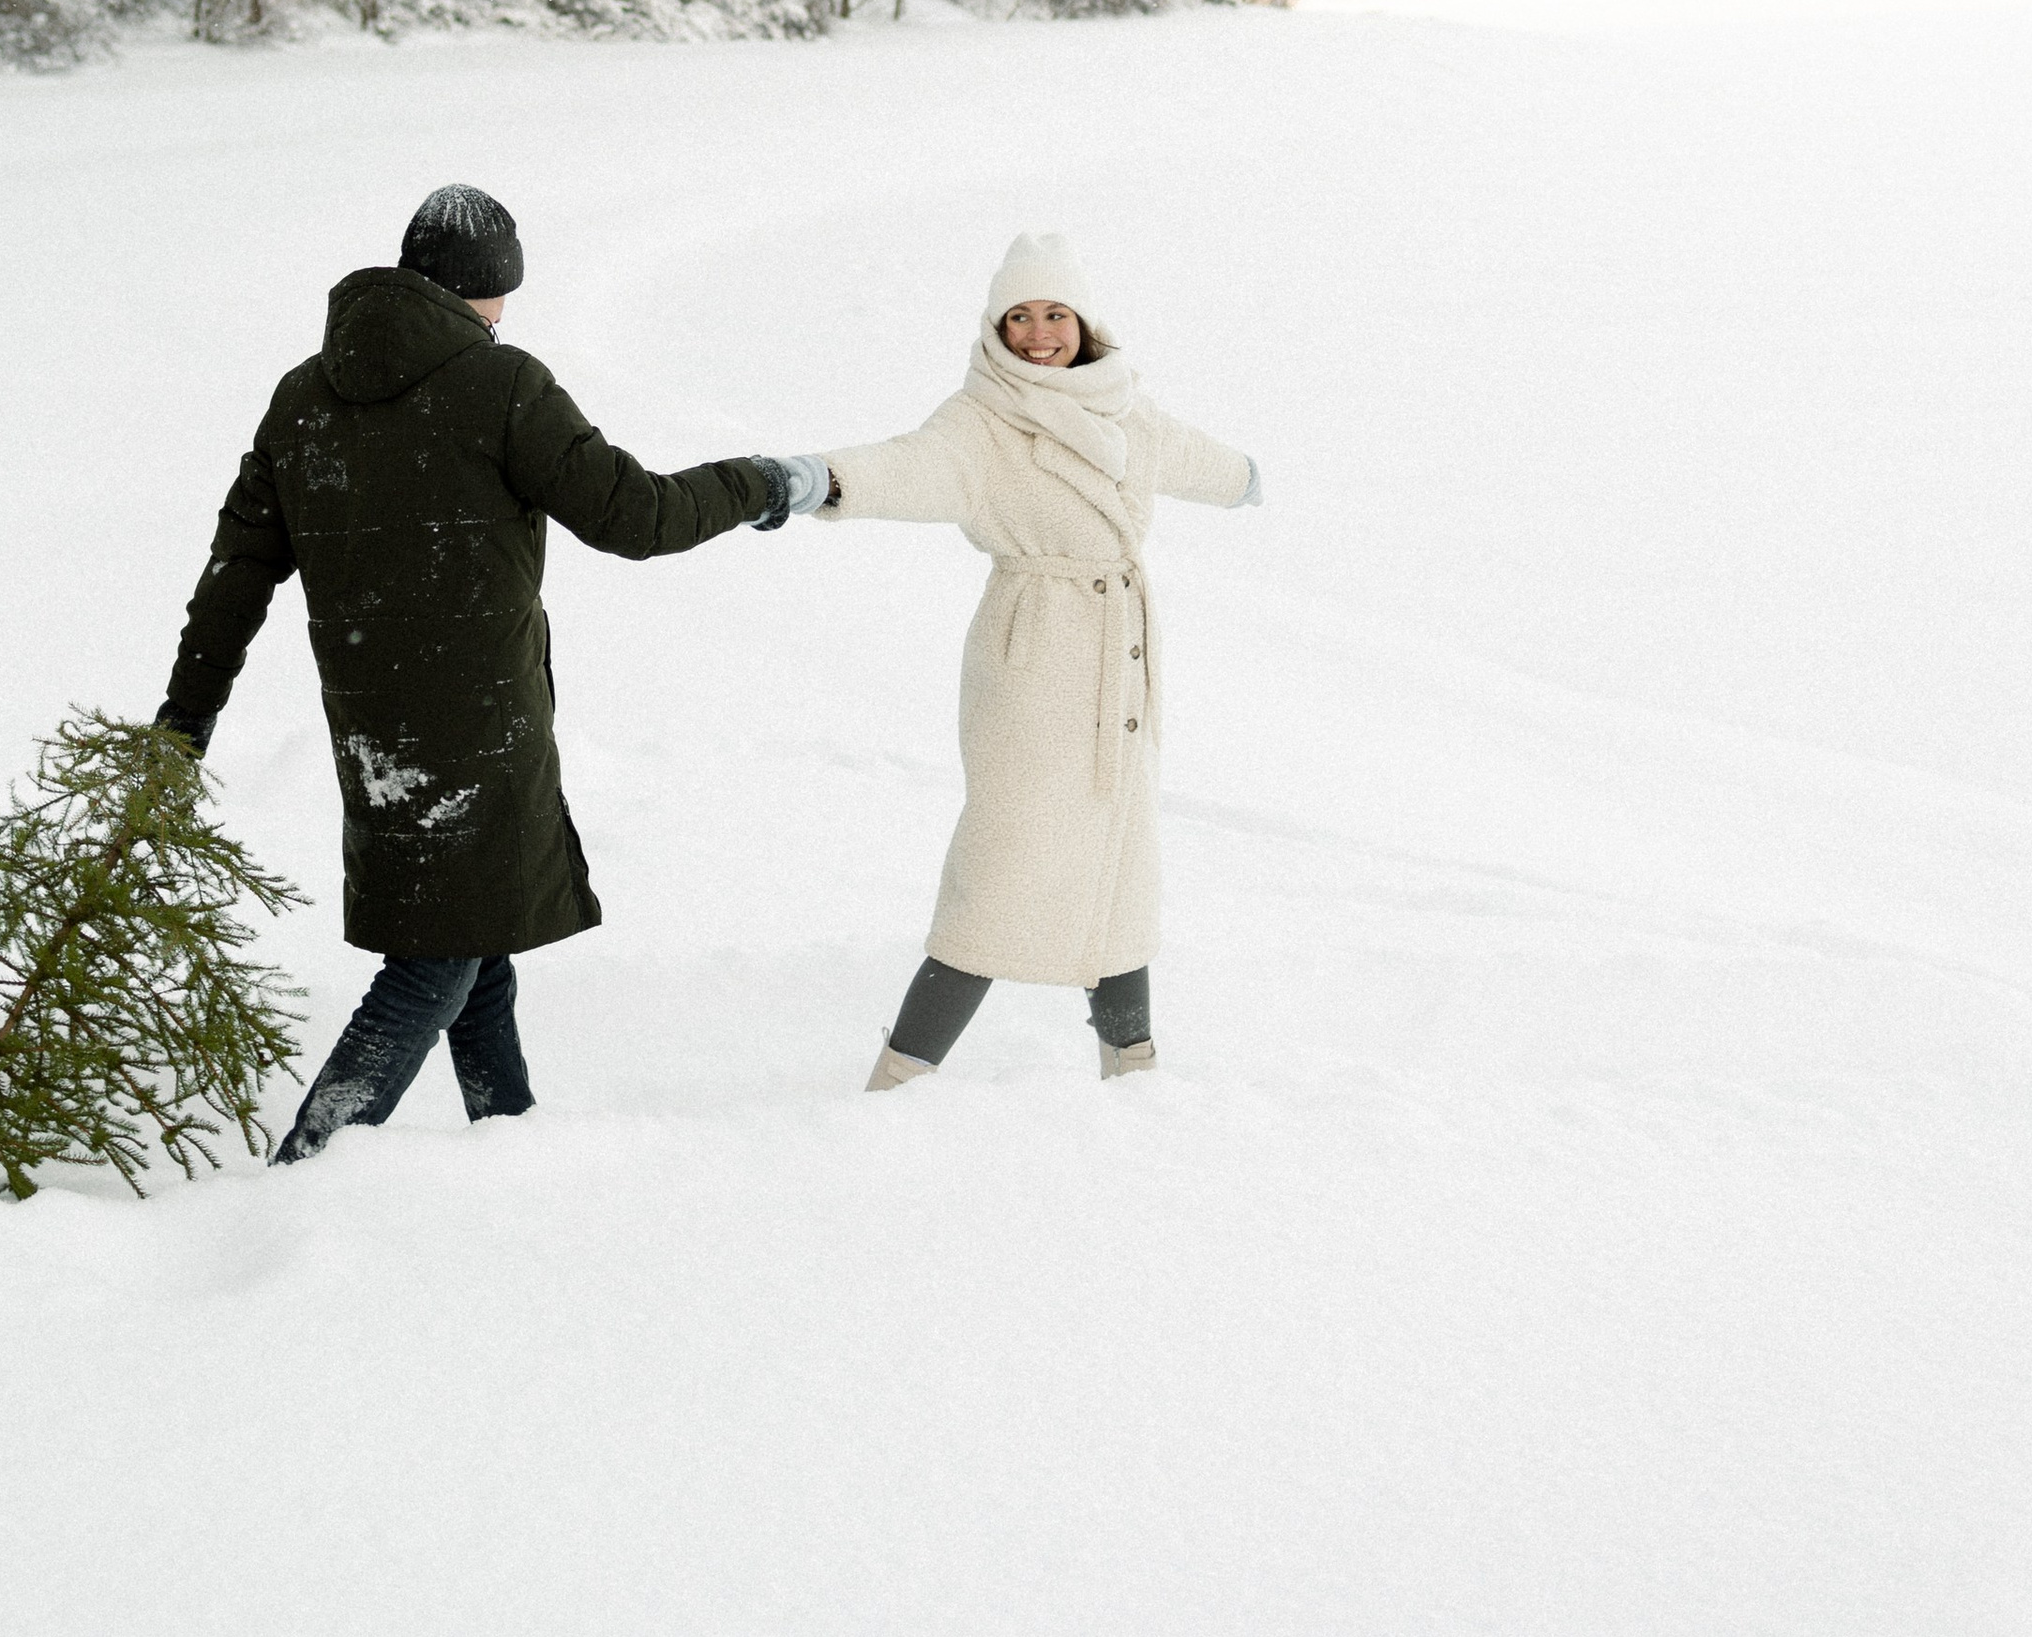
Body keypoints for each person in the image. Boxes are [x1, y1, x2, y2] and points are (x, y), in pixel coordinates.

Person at [155, 182, 791, 1158]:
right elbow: (636, 516)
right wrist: (758, 483)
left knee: (472, 936)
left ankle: (509, 1137)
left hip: (372, 728)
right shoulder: (500, 384)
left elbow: (237, 573)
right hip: (476, 730)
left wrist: (182, 722)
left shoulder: (302, 396)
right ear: (486, 290)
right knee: (435, 959)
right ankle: (304, 1167)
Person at [763, 227, 1258, 1089]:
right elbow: (915, 468)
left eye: (1054, 313)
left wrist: (1243, 475)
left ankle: (1131, 1070)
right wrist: (824, 480)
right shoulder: (982, 420)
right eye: (1018, 316)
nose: (1037, 334)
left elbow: (1182, 453)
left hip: (1121, 661)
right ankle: (899, 1078)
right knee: (1003, 868)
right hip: (1034, 662)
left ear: (1084, 322)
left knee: (1117, 869)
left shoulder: (1123, 406)